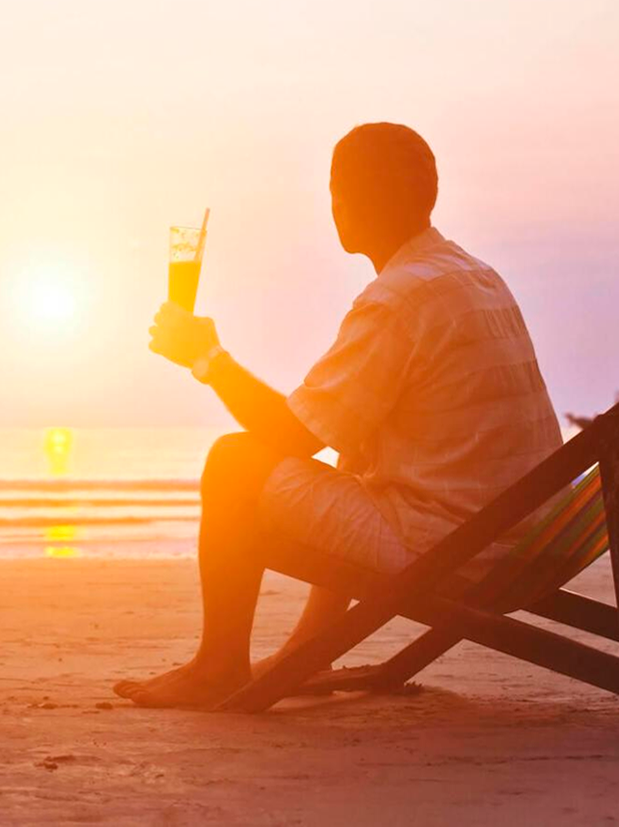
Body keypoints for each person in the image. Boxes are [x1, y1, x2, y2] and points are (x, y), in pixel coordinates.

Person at [116, 122, 560, 708]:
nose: (333, 205)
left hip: (456, 547)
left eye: (335, 188)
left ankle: (218, 666)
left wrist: (206, 358)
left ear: (353, 200)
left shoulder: (396, 300)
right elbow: (332, 433)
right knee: (356, 453)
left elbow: (290, 438)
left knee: (233, 462)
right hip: (528, 532)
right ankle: (308, 648)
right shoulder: (471, 273)